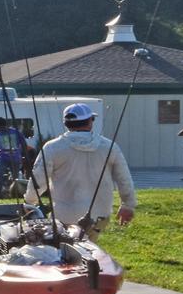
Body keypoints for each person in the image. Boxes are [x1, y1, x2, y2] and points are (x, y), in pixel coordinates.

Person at [23, 103, 136, 242]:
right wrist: (128, 205)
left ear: (66, 123)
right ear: (90, 122)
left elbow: (38, 180)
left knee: (65, 252)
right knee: (90, 248)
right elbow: (123, 178)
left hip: (64, 215)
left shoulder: (53, 147)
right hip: (99, 215)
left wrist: (29, 203)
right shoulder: (109, 146)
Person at [0, 117, 26, 196]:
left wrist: (23, 155)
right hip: (3, 157)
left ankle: (15, 193)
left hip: (15, 157)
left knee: (15, 177)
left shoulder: (15, 132)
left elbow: (23, 143)